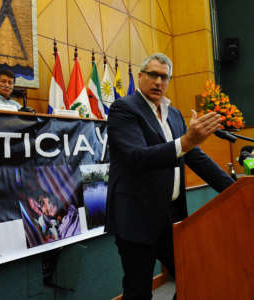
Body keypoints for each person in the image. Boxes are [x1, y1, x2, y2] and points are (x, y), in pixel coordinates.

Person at [105, 53, 234, 300]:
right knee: (138, 291)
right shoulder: (124, 108)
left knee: (193, 275)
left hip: (172, 216)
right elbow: (136, 156)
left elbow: (195, 157)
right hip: (136, 216)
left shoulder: (173, 114)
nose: (158, 82)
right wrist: (185, 141)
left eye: (164, 77)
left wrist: (236, 190)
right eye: (153, 75)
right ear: (141, 76)